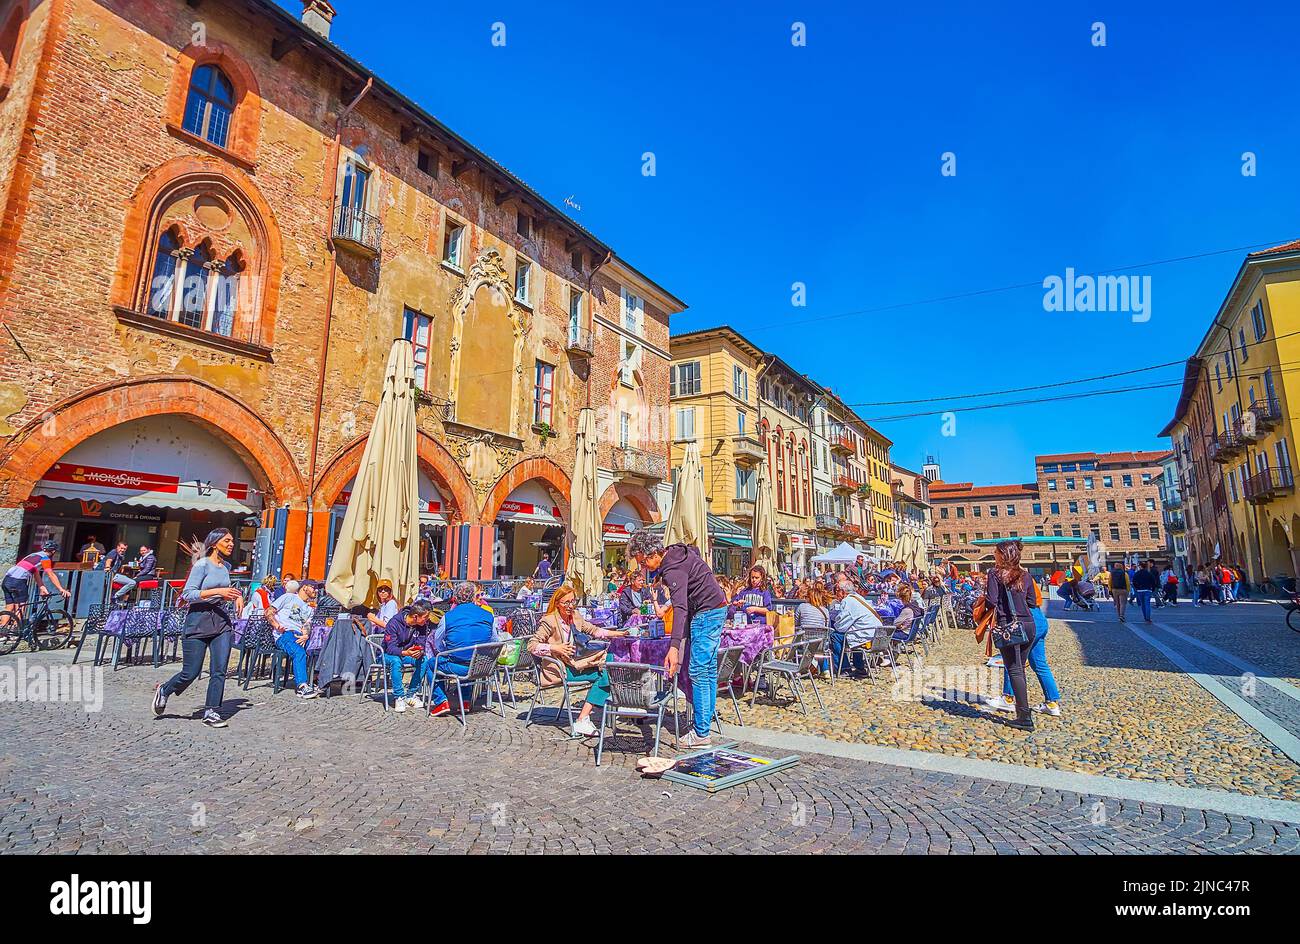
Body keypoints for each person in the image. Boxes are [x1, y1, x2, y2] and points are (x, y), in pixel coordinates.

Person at [625, 530, 727, 749]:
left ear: (651, 553)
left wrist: (673, 647)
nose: (644, 568)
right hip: (718, 608)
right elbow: (695, 556)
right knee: (707, 670)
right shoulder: (677, 554)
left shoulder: (672, 569)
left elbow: (680, 609)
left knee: (698, 671)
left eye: (644, 562)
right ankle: (704, 724)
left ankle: (701, 734)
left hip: (705, 613)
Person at [152, 529, 243, 727]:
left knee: (219, 670)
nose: (231, 544)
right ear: (214, 542)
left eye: (231, 541)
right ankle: (165, 690)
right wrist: (218, 591)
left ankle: (211, 711)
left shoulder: (226, 566)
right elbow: (187, 594)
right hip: (198, 619)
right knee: (190, 672)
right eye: (227, 541)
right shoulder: (202, 565)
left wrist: (238, 596)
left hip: (220, 620)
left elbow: (230, 588)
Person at [529, 584, 627, 737]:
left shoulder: (575, 616)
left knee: (609, 665)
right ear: (557, 603)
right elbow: (532, 646)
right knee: (607, 672)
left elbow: (594, 630)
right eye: (566, 602)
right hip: (559, 668)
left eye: (573, 602)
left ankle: (583, 717)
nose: (570, 606)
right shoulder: (549, 621)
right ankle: (584, 717)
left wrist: (619, 634)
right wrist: (556, 648)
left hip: (576, 663)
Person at [985, 570, 1062, 718]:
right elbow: (1034, 600)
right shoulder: (1025, 575)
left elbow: (996, 601)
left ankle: (1008, 697)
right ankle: (1052, 703)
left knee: (1014, 661)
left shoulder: (1010, 577)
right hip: (1039, 618)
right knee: (1040, 664)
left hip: (1025, 620)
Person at [983, 541, 1037, 732]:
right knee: (1019, 669)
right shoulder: (1025, 575)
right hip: (1029, 624)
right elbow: (1032, 601)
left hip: (1009, 626)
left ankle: (1024, 716)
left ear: (1003, 554)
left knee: (1014, 670)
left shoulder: (994, 574)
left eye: (996, 552)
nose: (993, 554)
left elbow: (991, 600)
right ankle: (1023, 712)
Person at [426, 583, 497, 716]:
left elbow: (437, 641)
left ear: (455, 598)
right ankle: (465, 701)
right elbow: (495, 641)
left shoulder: (449, 617)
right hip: (483, 666)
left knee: (430, 664)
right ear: (473, 597)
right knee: (469, 657)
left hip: (460, 666)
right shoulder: (488, 615)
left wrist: (446, 651)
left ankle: (441, 701)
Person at [269, 579, 321, 699]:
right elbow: (269, 611)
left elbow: (306, 625)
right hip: (285, 634)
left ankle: (316, 679)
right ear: (304, 588)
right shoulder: (288, 597)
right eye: (314, 587)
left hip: (299, 635)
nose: (316, 591)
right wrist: (277, 625)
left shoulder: (309, 609)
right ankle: (301, 687)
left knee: (318, 648)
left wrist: (306, 635)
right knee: (299, 652)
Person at [828, 571, 884, 675]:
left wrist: (835, 624)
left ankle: (844, 668)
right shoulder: (859, 598)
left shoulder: (848, 601)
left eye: (837, 591)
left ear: (843, 591)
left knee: (836, 636)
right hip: (876, 634)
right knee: (851, 635)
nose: (836, 594)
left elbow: (842, 625)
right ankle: (859, 666)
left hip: (866, 635)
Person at [382, 600, 432, 712]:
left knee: (424, 660)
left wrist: (420, 650)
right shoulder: (394, 623)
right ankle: (399, 697)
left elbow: (422, 642)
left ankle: (411, 694)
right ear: (415, 616)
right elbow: (390, 648)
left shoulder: (422, 625)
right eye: (425, 617)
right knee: (396, 661)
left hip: (406, 654)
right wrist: (405, 653)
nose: (427, 619)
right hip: (387, 655)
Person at [3, 540, 71, 618]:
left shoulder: (32, 555)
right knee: (21, 607)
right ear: (53, 551)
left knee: (9, 607)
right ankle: (16, 629)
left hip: (7, 580)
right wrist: (61, 589)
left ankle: (3, 628)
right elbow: (50, 574)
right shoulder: (45, 559)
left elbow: (36, 573)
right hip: (18, 581)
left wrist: (42, 587)